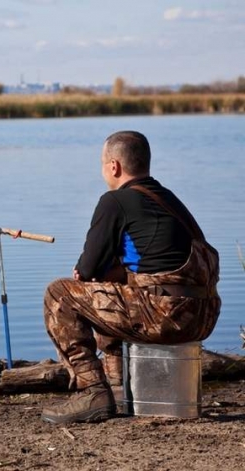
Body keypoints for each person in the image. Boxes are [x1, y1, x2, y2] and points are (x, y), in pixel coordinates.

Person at [41, 130, 221, 424]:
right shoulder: (168, 199)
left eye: (102, 164)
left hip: (166, 317)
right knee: (109, 285)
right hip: (203, 315)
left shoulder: (115, 201)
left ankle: (93, 391)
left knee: (59, 294)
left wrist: (92, 273)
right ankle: (118, 384)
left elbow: (87, 269)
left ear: (114, 166)